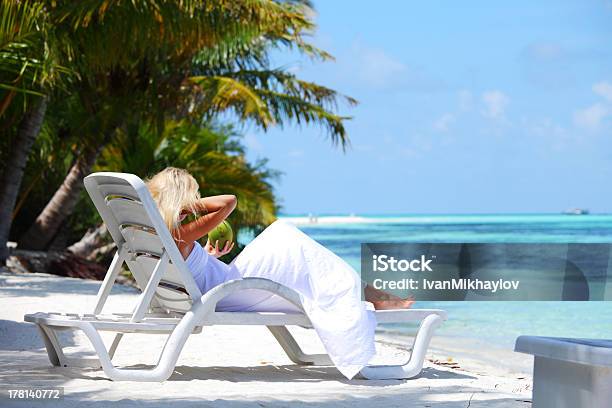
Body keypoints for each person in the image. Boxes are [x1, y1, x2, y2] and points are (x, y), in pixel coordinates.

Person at [146, 167, 412, 379]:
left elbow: (187, 266)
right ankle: (366, 296)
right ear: (179, 201)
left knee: (288, 241)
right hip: (227, 292)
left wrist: (208, 257)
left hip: (222, 285)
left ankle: (363, 292)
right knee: (293, 244)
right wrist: (186, 205)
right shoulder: (178, 233)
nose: (195, 203)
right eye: (193, 196)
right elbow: (229, 202)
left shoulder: (159, 233)